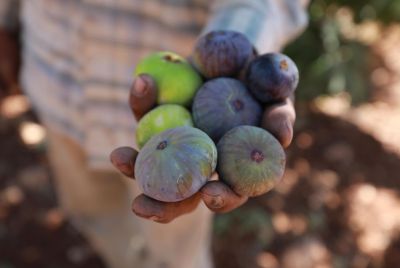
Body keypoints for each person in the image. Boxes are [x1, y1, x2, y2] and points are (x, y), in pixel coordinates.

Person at [0, 1, 308, 267]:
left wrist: (239, 56)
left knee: (176, 252)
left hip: (177, 120)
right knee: (94, 216)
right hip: (56, 92)